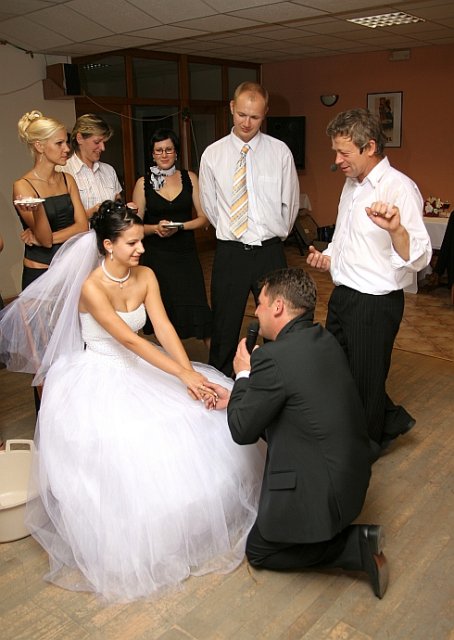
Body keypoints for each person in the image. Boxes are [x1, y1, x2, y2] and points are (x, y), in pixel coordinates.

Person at [0, 201, 264, 602]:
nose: (141, 248)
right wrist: (183, 376)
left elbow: (163, 327)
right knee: (128, 455)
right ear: (108, 245)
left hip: (144, 364)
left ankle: (185, 528)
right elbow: (129, 340)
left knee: (196, 420)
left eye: (141, 240)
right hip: (101, 373)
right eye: (132, 242)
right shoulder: (91, 287)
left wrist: (189, 373)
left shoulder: (146, 276)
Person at [204, 268, 388, 599]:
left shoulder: (273, 358)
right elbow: (294, 395)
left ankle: (354, 546)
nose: (256, 312)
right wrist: (239, 396)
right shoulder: (322, 339)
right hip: (352, 477)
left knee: (260, 550)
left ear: (277, 307)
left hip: (324, 492)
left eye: (260, 304)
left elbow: (242, 430)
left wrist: (243, 375)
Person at [307, 108, 431, 455]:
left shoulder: (399, 188)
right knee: (337, 371)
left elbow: (421, 256)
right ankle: (388, 422)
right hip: (343, 295)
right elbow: (344, 237)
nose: (337, 161)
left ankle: (365, 450)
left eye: (344, 152)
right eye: (336, 151)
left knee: (366, 381)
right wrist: (328, 256)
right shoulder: (351, 185)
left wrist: (397, 230)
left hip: (374, 303)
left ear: (370, 146)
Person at [199, 81, 300, 376]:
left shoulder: (280, 152)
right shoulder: (212, 154)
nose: (247, 122)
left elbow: (290, 203)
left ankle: (276, 382)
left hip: (269, 252)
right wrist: (234, 231)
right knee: (224, 324)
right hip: (231, 252)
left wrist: (273, 235)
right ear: (232, 108)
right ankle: (220, 382)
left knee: (279, 324)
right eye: (242, 114)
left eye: (254, 117)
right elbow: (210, 206)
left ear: (265, 114)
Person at [132, 129, 211, 343]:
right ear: (152, 154)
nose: (164, 154)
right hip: (157, 258)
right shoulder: (143, 183)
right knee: (162, 312)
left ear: (176, 153)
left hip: (186, 256)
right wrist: (155, 228)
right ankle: (167, 360)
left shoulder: (190, 178)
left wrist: (181, 227)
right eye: (159, 150)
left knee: (199, 309)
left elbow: (204, 218)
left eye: (169, 149)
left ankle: (216, 361)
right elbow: (134, 228)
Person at [14, 110, 88, 289]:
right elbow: (46, 241)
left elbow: (82, 226)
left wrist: (40, 238)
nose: (67, 149)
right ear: (39, 146)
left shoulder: (67, 179)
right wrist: (39, 214)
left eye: (66, 142)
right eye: (59, 143)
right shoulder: (23, 186)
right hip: (41, 271)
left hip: (70, 266)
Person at [62, 113, 122, 219]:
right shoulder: (63, 171)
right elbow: (61, 220)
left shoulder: (109, 170)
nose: (103, 148)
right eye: (97, 142)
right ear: (80, 138)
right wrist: (91, 213)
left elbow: (118, 204)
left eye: (104, 142)